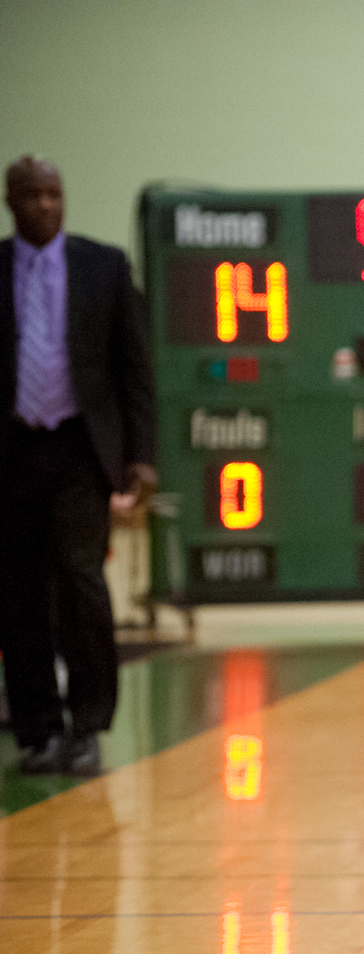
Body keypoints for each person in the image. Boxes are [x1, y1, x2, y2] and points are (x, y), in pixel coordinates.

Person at [1, 156, 155, 777]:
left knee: (80, 578)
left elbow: (135, 371)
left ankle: (89, 724)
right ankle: (37, 728)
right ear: (11, 202)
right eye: (31, 195)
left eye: (53, 193)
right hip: (12, 449)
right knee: (18, 593)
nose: (44, 204)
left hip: (79, 447)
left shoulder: (104, 266)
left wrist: (140, 457)